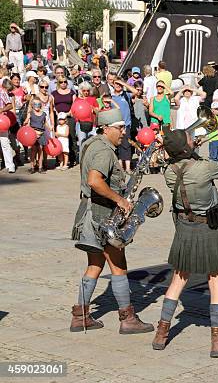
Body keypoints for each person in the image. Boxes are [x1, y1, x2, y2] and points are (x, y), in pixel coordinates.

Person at [151, 126, 218, 354]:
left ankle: (161, 334)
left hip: (185, 226)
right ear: (185, 147)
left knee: (179, 278)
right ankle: (217, 340)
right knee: (216, 278)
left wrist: (190, 150)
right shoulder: (204, 167)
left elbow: (186, 165)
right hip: (209, 227)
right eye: (190, 139)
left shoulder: (169, 171)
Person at [69, 108, 154, 335]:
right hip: (103, 214)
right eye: (119, 128)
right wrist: (121, 200)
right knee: (118, 266)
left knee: (95, 265)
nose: (123, 132)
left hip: (89, 212)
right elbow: (94, 180)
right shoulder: (104, 151)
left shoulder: (91, 143)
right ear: (106, 128)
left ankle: (81, 315)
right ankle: (128, 318)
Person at [110, 79, 138, 173]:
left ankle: (128, 168)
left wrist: (123, 83)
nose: (118, 85)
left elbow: (136, 92)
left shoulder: (126, 94)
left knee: (126, 146)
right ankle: (120, 167)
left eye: (119, 84)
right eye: (116, 84)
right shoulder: (111, 96)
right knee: (117, 146)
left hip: (126, 125)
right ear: (113, 85)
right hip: (115, 125)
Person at [23, 96, 52, 173]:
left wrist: (50, 128)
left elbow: (45, 123)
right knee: (33, 151)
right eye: (35, 104)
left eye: (38, 104)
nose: (37, 106)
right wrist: (25, 122)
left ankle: (40, 167)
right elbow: (26, 121)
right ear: (32, 105)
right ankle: (32, 167)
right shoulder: (31, 113)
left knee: (41, 150)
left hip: (41, 133)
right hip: (33, 134)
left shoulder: (43, 114)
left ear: (41, 105)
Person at [0, 79, 15, 173]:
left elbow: (10, 106)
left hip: (2, 121)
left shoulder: (3, 92)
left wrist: (1, 110)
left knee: (5, 143)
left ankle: (10, 165)